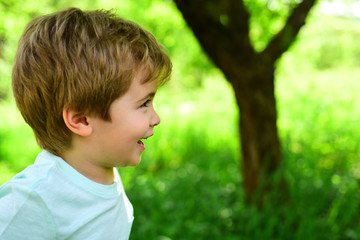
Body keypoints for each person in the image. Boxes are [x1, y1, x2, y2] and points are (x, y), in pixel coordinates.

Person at [0, 7, 171, 240]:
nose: (156, 118)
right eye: (144, 104)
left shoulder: (100, 171)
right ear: (81, 120)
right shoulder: (34, 201)